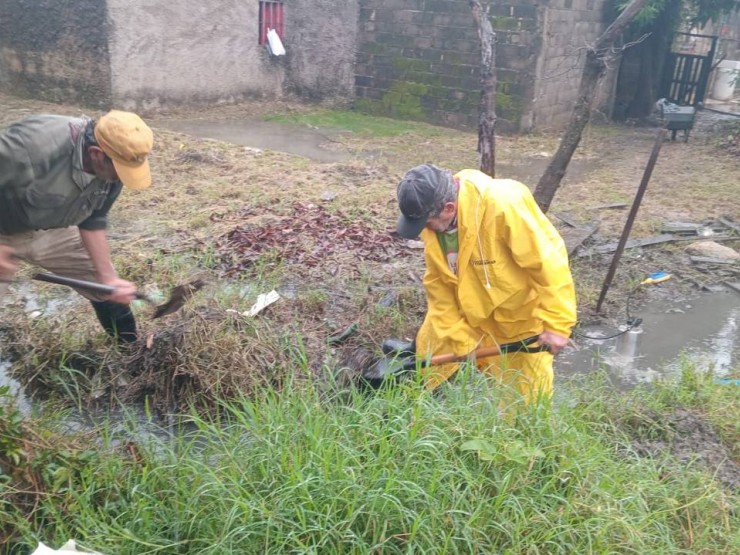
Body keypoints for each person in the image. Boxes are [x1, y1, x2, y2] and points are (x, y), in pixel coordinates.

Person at [394, 164, 577, 405]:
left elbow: (548, 265)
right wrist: (456, 335)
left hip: (515, 320)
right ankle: (417, 406)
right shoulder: (433, 217)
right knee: (430, 358)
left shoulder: (504, 205)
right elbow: (438, 282)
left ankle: (514, 428)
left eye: (426, 223)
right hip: (463, 313)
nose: (424, 231)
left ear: (449, 208)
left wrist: (557, 324)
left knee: (524, 400)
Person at [0, 110, 154, 343]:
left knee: (103, 287)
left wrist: (108, 278)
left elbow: (94, 219)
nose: (121, 179)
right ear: (96, 154)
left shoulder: (116, 165)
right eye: (119, 171)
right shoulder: (32, 145)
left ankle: (132, 351)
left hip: (52, 228)